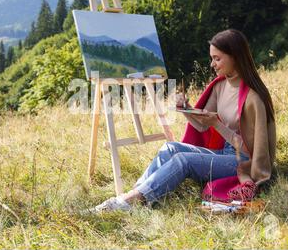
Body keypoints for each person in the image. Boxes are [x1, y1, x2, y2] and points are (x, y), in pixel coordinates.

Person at [94, 29, 276, 212]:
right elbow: (202, 125)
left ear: (235, 56)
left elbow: (250, 151)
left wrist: (217, 125)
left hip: (242, 161)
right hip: (224, 153)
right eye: (212, 58)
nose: (212, 64)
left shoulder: (253, 98)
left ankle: (131, 201)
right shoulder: (221, 86)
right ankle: (132, 197)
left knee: (184, 160)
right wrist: (185, 109)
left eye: (217, 58)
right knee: (170, 147)